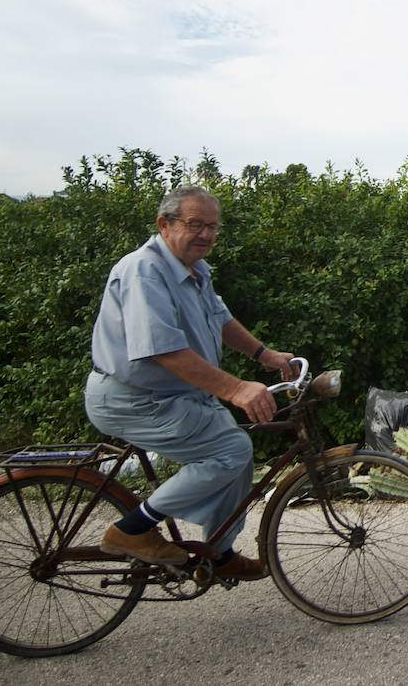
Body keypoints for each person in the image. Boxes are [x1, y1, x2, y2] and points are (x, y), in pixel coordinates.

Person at [84, 185, 294, 581]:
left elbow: (221, 319)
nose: (206, 235)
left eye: (212, 227)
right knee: (229, 449)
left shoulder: (195, 270)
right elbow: (164, 351)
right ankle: (131, 531)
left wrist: (265, 356)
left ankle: (217, 551)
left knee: (237, 453)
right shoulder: (144, 271)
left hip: (171, 397)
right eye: (195, 224)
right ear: (164, 224)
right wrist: (235, 388)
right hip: (133, 399)